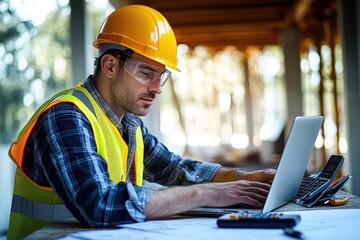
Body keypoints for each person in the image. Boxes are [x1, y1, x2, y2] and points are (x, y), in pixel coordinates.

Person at [7, 5, 275, 239]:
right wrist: (205, 194)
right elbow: (99, 204)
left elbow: (175, 170)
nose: (157, 88)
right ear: (110, 66)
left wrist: (245, 178)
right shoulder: (65, 117)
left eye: (161, 76)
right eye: (147, 73)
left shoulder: (129, 124)